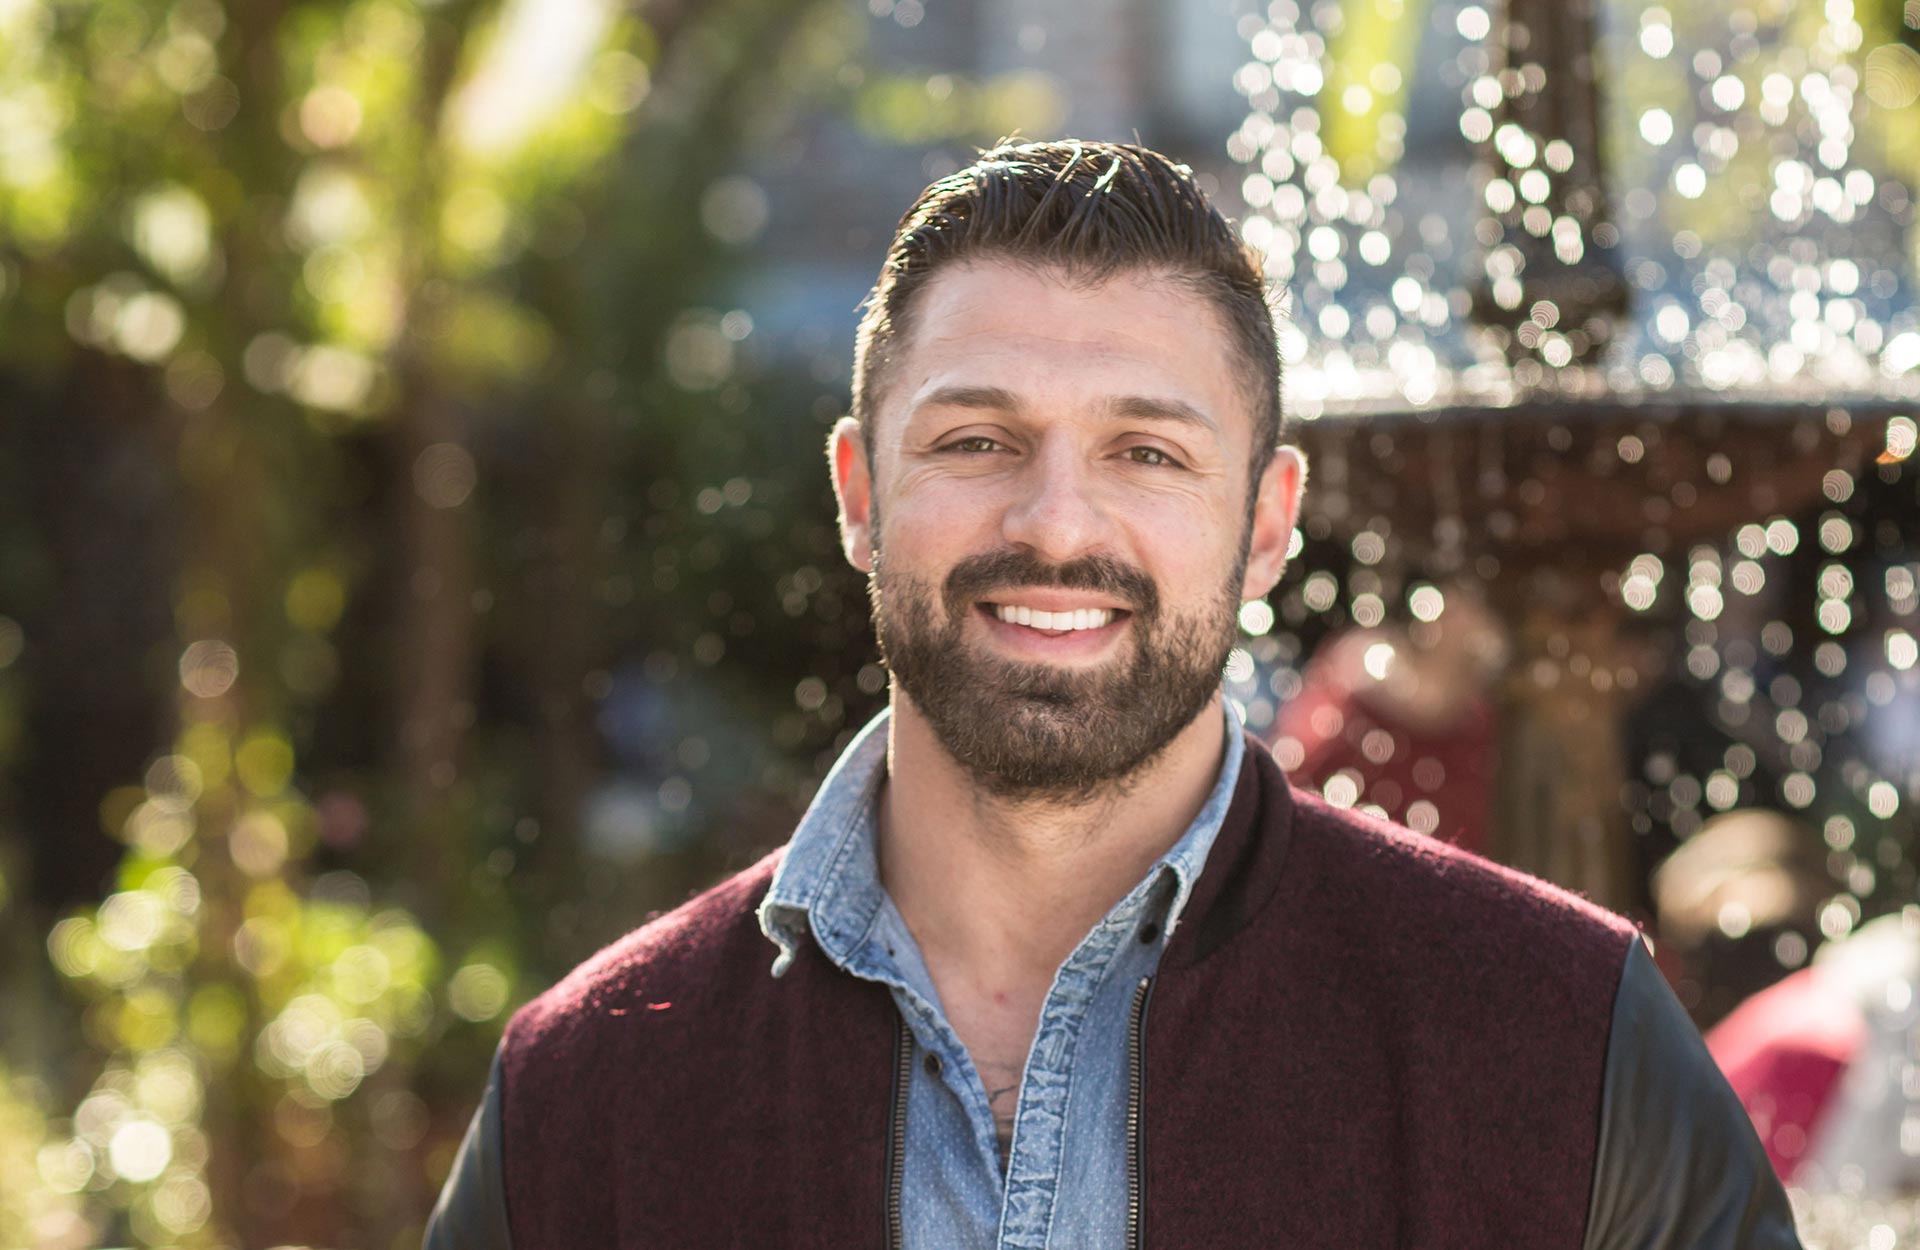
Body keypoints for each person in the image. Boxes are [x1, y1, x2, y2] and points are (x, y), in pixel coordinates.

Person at [424, 140, 1800, 1248]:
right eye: (977, 438)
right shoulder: (589, 1096)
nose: (1056, 523)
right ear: (859, 493)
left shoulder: (1567, 1041)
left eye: (1147, 451)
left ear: (1268, 525)